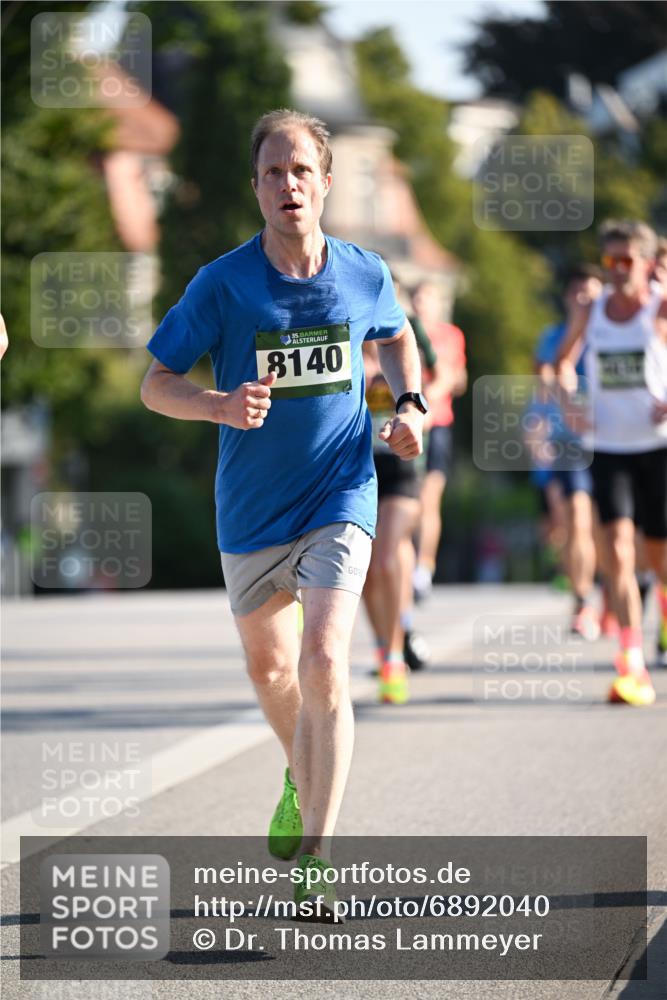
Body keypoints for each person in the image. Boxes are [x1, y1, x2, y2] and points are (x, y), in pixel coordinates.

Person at [140, 109, 425, 917]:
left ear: (325, 182)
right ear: (257, 187)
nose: (287, 185)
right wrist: (217, 405)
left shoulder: (365, 270)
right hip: (251, 508)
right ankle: (299, 777)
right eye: (272, 172)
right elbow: (154, 383)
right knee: (271, 671)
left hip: (340, 490)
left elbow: (398, 339)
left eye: (301, 170)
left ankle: (319, 857)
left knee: (325, 661)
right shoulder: (222, 284)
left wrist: (409, 405)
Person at [558, 220, 667, 704]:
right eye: (611, 261)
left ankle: (660, 611)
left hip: (658, 445)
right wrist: (570, 402)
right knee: (619, 552)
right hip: (609, 447)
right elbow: (560, 362)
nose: (619, 270)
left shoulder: (661, 307)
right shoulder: (593, 309)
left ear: (646, 262)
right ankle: (632, 662)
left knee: (659, 556)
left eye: (627, 261)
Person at [534, 265, 604, 640]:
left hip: (616, 438)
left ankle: (616, 588)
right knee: (576, 519)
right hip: (569, 439)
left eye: (590, 293)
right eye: (576, 293)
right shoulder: (553, 337)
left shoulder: (614, 332)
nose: (583, 300)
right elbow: (545, 375)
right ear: (566, 298)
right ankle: (582, 601)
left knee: (605, 527)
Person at [362, 338, 430, 704]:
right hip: (363, 473)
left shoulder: (406, 353)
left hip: (404, 473)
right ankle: (384, 647)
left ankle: (394, 656)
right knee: (368, 572)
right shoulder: (349, 351)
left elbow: (426, 392)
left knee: (387, 556)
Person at [410, 281, 467, 602]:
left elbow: (459, 379)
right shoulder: (401, 330)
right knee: (408, 500)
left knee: (429, 498)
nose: (421, 303)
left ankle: (423, 568)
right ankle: (404, 560)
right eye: (417, 297)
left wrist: (441, 385)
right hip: (407, 422)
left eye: (427, 298)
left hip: (438, 424)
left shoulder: (450, 335)